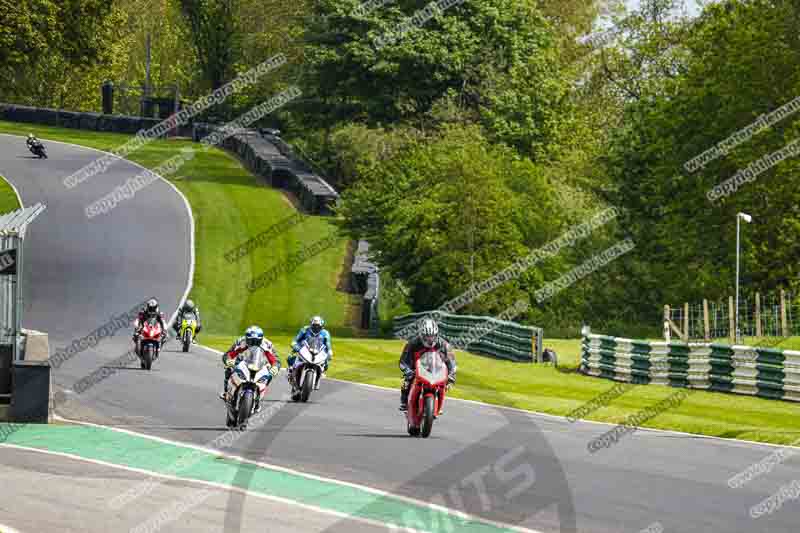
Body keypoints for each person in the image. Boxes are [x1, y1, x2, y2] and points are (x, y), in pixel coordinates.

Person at [398, 317, 456, 412]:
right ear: (421, 335)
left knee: (446, 383)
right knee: (406, 382)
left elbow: (452, 362)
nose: (430, 339)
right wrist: (408, 371)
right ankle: (404, 402)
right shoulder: (413, 343)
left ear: (436, 335)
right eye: (427, 336)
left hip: (436, 369)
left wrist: (451, 375)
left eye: (432, 336)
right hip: (415, 369)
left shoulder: (444, 345)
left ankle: (438, 405)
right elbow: (403, 361)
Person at [220, 325, 280, 406]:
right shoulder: (241, 341)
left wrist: (275, 367)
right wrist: (228, 360)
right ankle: (226, 392)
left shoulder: (267, 344)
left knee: (270, 374)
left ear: (261, 339)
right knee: (228, 368)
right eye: (251, 341)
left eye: (256, 341)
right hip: (242, 361)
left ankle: (258, 398)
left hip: (260, 363)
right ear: (247, 338)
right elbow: (228, 354)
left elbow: (275, 359)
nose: (253, 344)